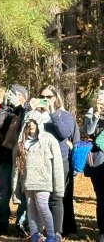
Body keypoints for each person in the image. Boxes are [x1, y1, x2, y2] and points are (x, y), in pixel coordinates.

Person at [13, 111, 63, 242]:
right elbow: (16, 167)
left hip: (43, 181)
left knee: (42, 205)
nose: (31, 124)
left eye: (34, 122)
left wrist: (59, 187)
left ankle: (51, 235)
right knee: (30, 207)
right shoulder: (21, 141)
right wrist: (16, 187)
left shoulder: (49, 139)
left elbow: (57, 164)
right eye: (29, 122)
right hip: (27, 181)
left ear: (39, 122)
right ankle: (35, 234)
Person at [38, 85, 79, 238]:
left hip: (61, 160)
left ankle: (67, 229)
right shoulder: (37, 115)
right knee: (43, 196)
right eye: (42, 96)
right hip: (41, 160)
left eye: (48, 97)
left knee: (63, 196)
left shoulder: (64, 115)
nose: (45, 99)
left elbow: (64, 133)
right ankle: (46, 229)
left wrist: (52, 113)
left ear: (55, 98)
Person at [0, 84, 30, 234]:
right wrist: (4, 106)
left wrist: (19, 107)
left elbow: (28, 123)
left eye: (14, 94)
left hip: (22, 158)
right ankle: (2, 224)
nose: (11, 97)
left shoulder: (28, 109)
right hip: (6, 157)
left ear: (22, 96)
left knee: (23, 193)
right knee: (4, 193)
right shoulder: (5, 110)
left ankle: (21, 225)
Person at [83, 90, 104, 242]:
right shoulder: (90, 113)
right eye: (99, 98)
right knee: (101, 197)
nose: (101, 101)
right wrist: (97, 115)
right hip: (97, 159)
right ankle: (102, 231)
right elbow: (89, 130)